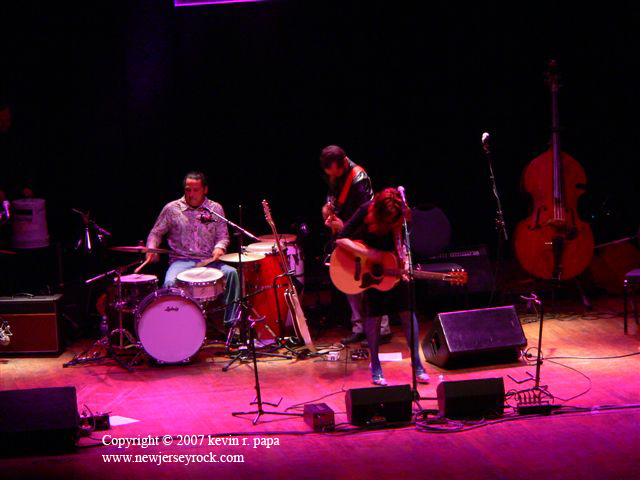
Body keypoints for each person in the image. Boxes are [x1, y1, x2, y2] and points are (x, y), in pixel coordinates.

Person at [336, 187, 430, 386]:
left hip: (393, 266)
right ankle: (376, 365)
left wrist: (406, 262)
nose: (390, 221)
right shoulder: (365, 210)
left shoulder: (400, 215)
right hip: (370, 270)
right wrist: (369, 254)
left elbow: (402, 243)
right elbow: (340, 238)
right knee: (374, 315)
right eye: (387, 219)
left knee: (407, 311)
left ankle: (417, 363)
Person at [142, 171, 240, 325]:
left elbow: (223, 236)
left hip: (209, 261)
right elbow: (156, 233)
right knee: (169, 284)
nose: (191, 194)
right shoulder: (172, 209)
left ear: (205, 190)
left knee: (232, 274)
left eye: (196, 190)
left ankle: (231, 324)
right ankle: (173, 324)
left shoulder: (215, 209)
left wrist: (219, 248)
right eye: (188, 190)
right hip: (181, 261)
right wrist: (151, 249)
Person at [320, 145, 391, 345]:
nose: (332, 176)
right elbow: (333, 200)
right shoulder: (335, 174)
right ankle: (359, 327)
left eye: (335, 172)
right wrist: (328, 212)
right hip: (346, 237)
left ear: (343, 163)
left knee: (371, 282)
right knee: (348, 280)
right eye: (329, 174)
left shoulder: (359, 178)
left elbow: (367, 212)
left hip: (362, 236)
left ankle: (382, 329)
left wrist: (344, 225)